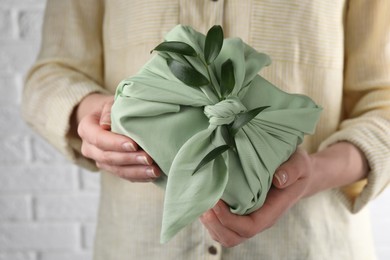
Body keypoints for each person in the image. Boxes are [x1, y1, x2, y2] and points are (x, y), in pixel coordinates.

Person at [22, 0, 390, 259]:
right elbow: (50, 77)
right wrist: (96, 116)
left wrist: (312, 174)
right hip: (137, 248)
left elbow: (383, 101)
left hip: (313, 246)